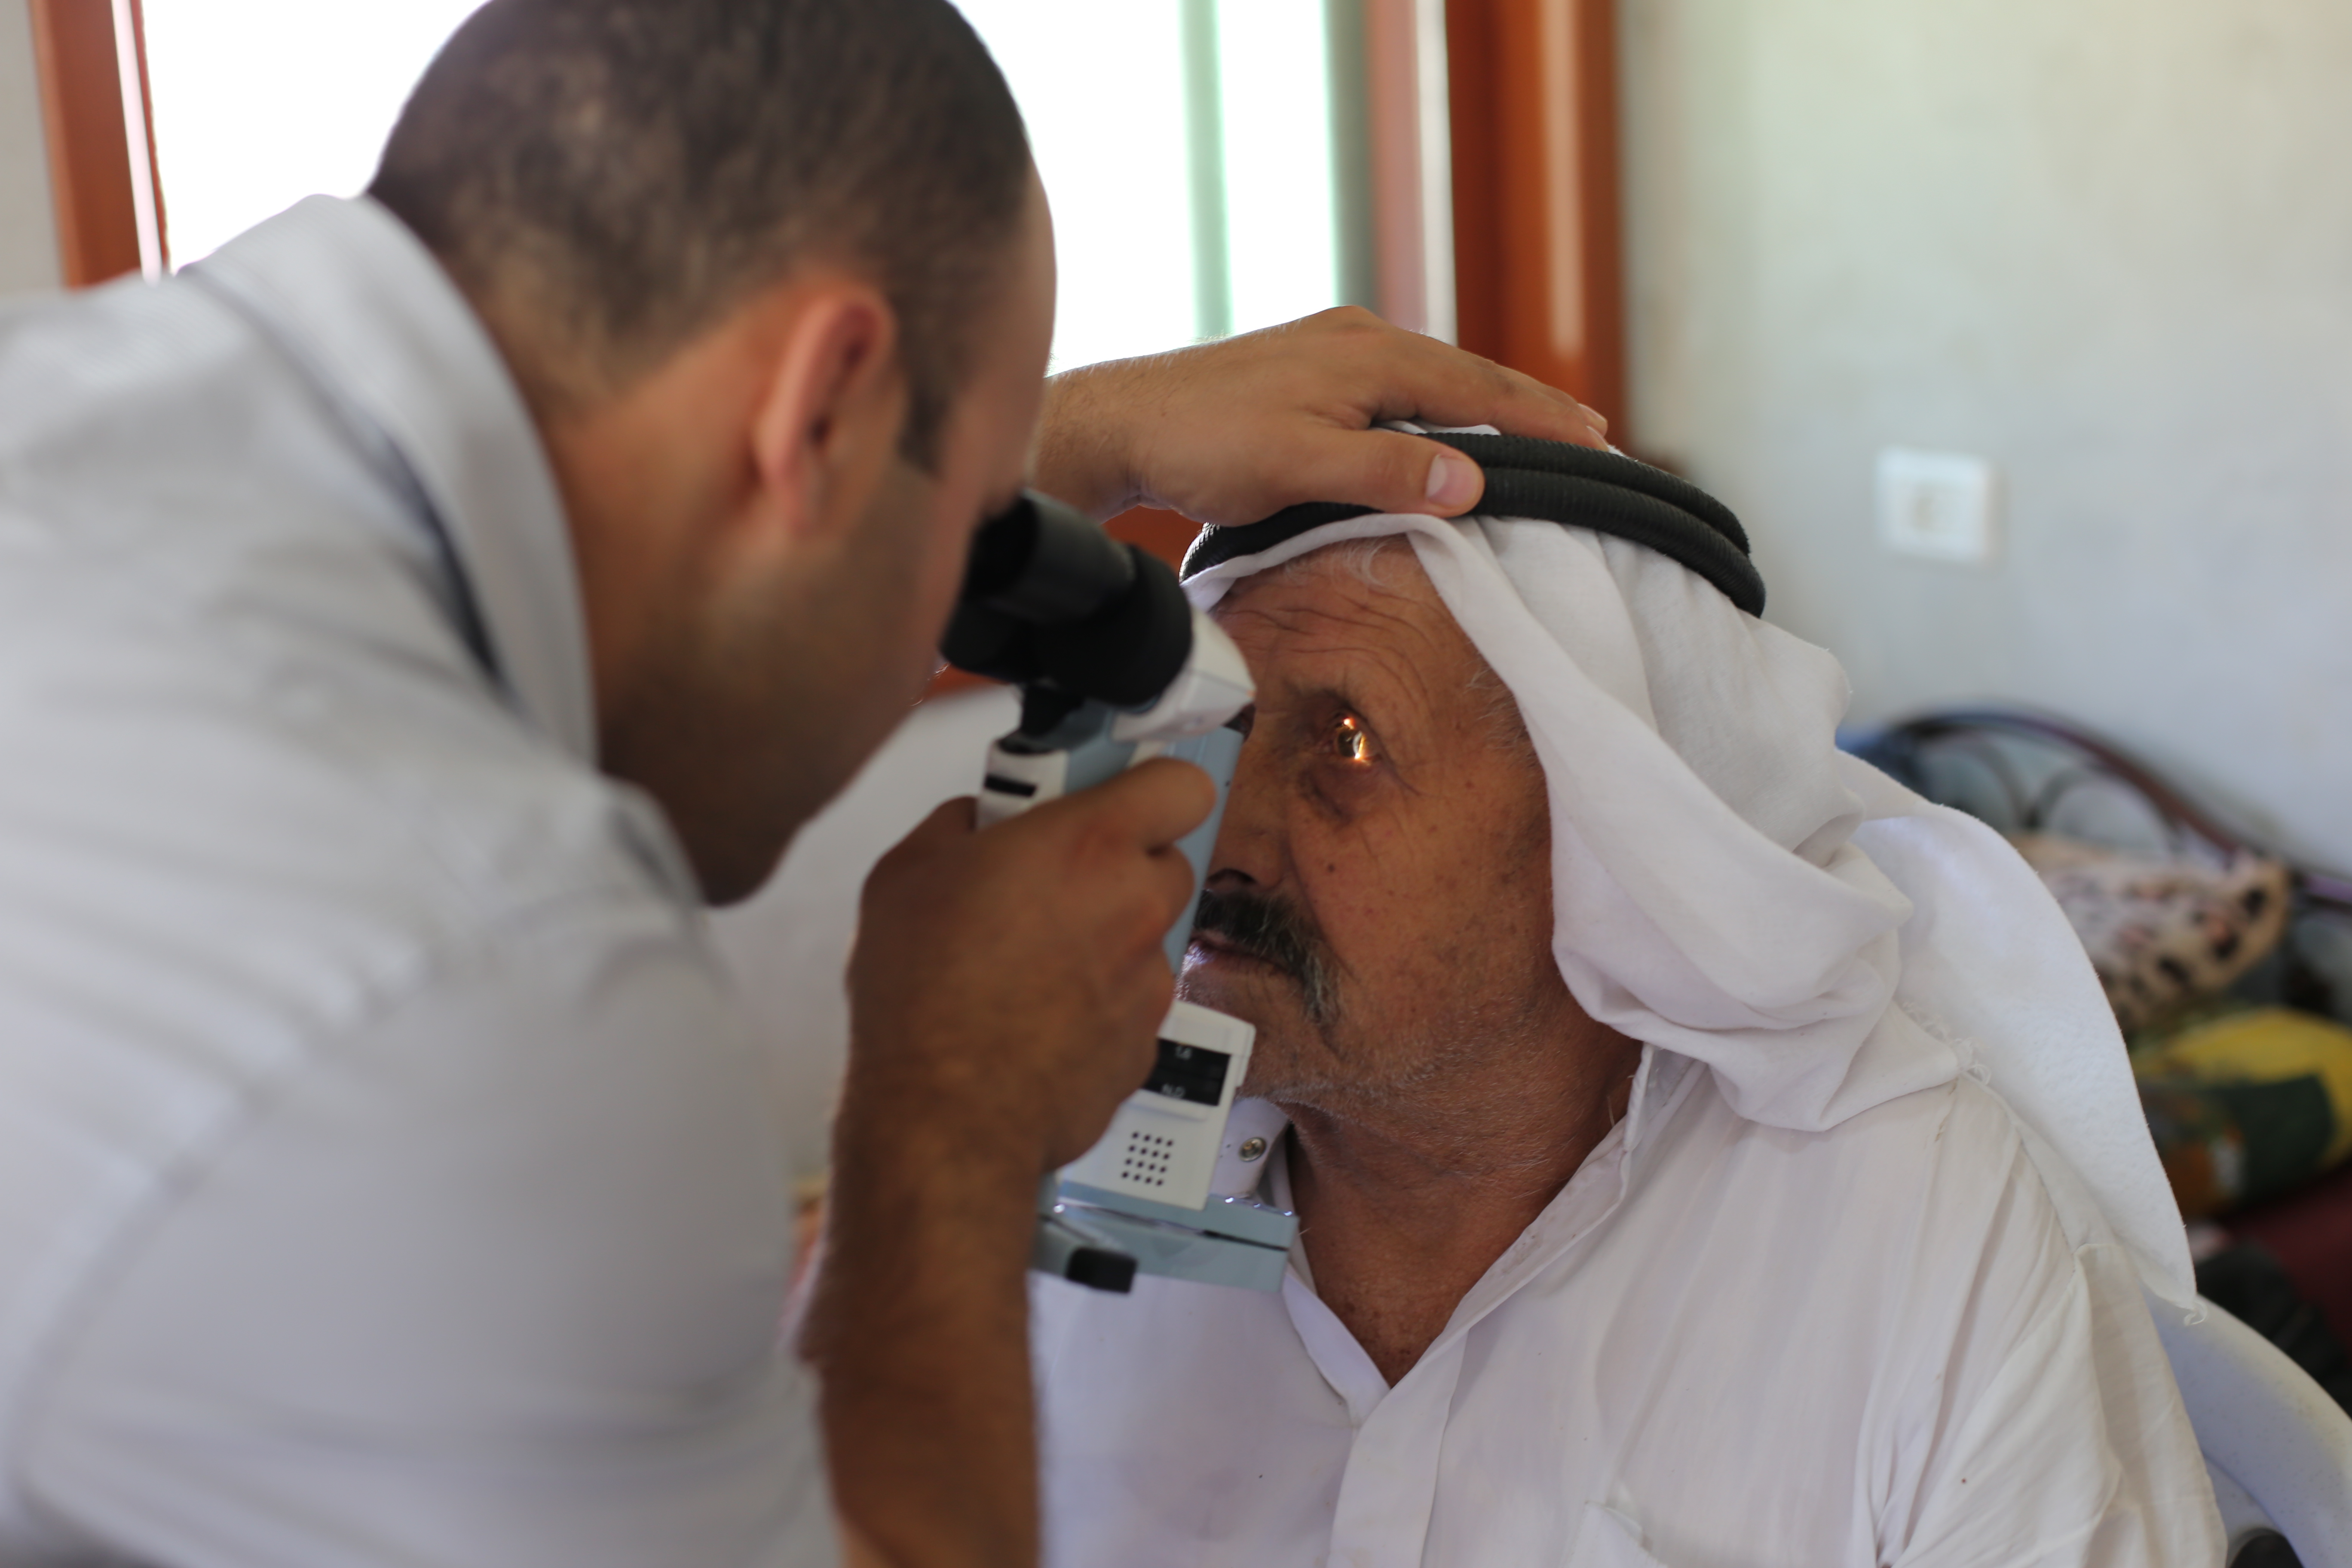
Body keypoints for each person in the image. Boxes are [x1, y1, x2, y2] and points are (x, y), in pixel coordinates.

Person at [0, 3, 1611, 1565]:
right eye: (978, 521)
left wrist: (1061, 432)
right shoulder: (480, 974)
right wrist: (948, 1119)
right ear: (823, 407)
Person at [1030, 468, 2227, 1566]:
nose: (1218, 847)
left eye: (1345, 748)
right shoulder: (1055, 1163)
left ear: (1613, 842)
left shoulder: (1920, 1234)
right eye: (1218, 737)